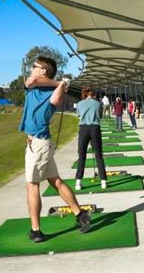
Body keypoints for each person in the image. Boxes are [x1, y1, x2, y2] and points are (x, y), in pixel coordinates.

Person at [19, 56, 91, 243]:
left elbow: (56, 100)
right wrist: (61, 82)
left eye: (34, 66)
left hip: (39, 144)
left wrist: (61, 85)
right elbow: (31, 81)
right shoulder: (33, 86)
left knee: (32, 185)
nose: (31, 69)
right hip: (39, 144)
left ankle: (36, 231)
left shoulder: (54, 89)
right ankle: (81, 214)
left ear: (43, 70)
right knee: (55, 181)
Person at [75, 86, 108, 191]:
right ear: (93, 95)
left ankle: (78, 182)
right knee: (98, 155)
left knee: (82, 156)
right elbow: (100, 116)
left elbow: (79, 115)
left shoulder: (79, 104)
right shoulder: (98, 103)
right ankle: (103, 182)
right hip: (95, 128)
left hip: (83, 129)